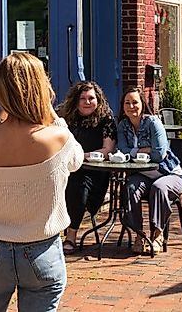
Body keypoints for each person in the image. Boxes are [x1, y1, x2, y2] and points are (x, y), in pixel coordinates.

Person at [0, 52, 83, 311]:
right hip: (42, 250)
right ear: (41, 89)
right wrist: (52, 115)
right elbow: (76, 160)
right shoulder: (58, 138)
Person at [117, 87, 182, 254]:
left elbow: (159, 154)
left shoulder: (153, 123)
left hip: (169, 173)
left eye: (135, 102)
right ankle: (139, 235)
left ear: (142, 104)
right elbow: (122, 150)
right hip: (143, 175)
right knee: (130, 188)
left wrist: (134, 152)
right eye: (127, 103)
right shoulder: (123, 125)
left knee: (159, 188)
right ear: (122, 106)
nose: (131, 106)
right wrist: (145, 150)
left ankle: (158, 234)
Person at [57, 81, 117, 255]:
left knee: (79, 186)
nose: (87, 102)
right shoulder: (67, 119)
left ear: (98, 99)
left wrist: (80, 156)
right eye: (82, 98)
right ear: (76, 101)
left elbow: (107, 150)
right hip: (67, 168)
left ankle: (71, 236)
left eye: (91, 98)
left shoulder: (106, 120)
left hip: (94, 172)